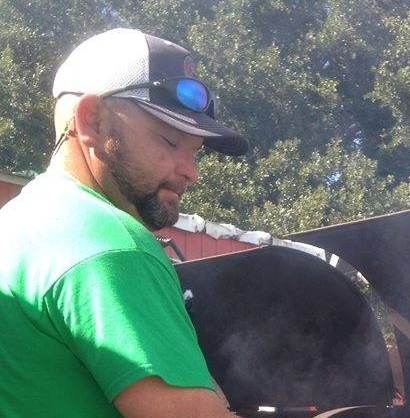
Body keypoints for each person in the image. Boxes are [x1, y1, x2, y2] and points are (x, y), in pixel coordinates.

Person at [0, 28, 248, 417]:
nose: (191, 172)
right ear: (92, 121)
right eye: (169, 142)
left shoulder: (19, 221)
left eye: (194, 153)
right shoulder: (111, 244)